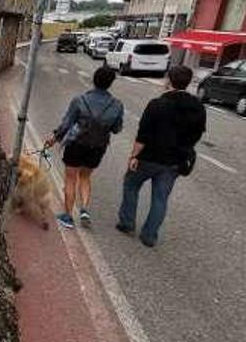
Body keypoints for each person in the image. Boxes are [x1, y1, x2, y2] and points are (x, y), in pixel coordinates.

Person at [117, 65, 206, 247]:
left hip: (149, 157)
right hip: (175, 161)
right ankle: (149, 235)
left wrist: (133, 156)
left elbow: (143, 135)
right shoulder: (198, 108)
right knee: (160, 198)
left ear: (169, 81)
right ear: (188, 83)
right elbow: (197, 134)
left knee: (131, 184)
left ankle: (127, 222)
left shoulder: (157, 104)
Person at [45, 66, 124, 229]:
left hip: (76, 144)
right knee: (86, 177)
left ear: (94, 80)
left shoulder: (80, 100)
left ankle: (67, 217)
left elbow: (66, 124)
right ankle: (85, 210)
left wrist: (55, 137)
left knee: (70, 178)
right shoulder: (117, 105)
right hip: (98, 146)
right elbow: (116, 129)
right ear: (110, 84)